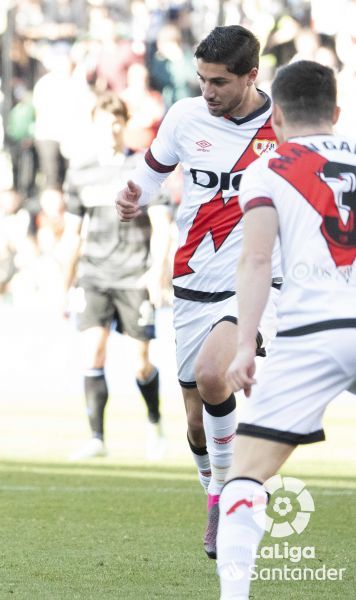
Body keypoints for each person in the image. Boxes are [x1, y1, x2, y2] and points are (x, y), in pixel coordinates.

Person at [115, 25, 282, 559]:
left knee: (214, 375)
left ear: (252, 76)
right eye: (202, 80)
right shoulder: (186, 117)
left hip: (256, 281)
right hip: (191, 279)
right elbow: (151, 173)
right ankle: (215, 487)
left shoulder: (284, 128)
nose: (207, 92)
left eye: (219, 82)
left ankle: (226, 497)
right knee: (194, 416)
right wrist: (133, 196)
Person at [216, 60, 355, 600]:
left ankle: (235, 596)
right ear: (337, 114)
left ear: (274, 120)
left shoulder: (268, 169)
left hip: (311, 332)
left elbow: (254, 262)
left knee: (246, 478)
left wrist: (245, 346)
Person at [61, 93, 171, 461]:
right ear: (93, 125)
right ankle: (97, 438)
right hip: (94, 275)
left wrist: (157, 272)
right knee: (93, 350)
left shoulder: (144, 168)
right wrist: (64, 286)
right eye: (104, 122)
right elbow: (72, 234)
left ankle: (155, 422)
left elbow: (162, 226)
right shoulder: (80, 171)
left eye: (117, 121)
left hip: (133, 276)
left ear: (126, 123)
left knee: (140, 361)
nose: (111, 129)